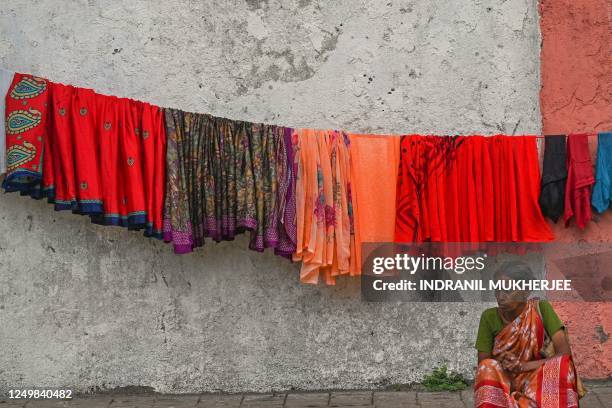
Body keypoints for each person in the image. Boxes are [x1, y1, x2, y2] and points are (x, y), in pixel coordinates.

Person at [474, 261, 579, 407]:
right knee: (487, 366)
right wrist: (502, 360)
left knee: (562, 366)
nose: (501, 296)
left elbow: (565, 354)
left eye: (507, 290)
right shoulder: (489, 317)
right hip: (505, 381)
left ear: (526, 290)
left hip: (537, 379)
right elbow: (483, 362)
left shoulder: (541, 309)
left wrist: (524, 366)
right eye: (497, 290)